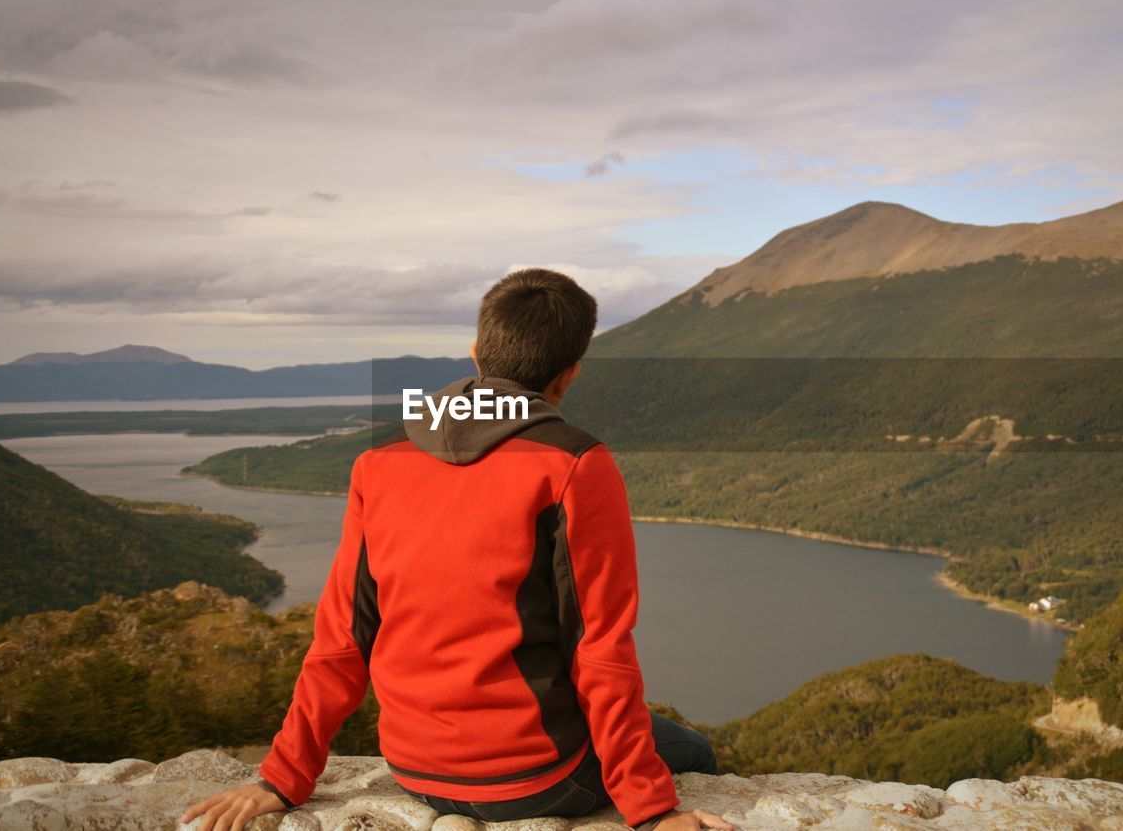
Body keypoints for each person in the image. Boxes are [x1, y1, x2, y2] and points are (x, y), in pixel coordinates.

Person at [181, 269, 734, 831]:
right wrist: (651, 810)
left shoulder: (380, 462)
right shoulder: (574, 464)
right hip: (536, 779)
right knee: (692, 750)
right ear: (568, 377)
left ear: (475, 355)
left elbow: (342, 640)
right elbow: (599, 648)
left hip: (414, 768)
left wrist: (281, 777)